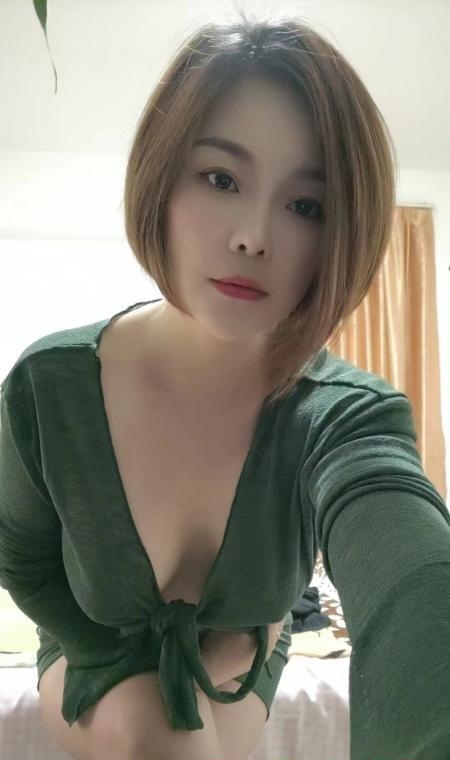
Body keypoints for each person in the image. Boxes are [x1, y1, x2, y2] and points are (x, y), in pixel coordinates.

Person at [1, 9, 450, 760]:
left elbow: (415, 581)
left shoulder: (344, 417)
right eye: (221, 178)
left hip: (251, 650)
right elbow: (23, 559)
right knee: (162, 738)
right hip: (88, 640)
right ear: (162, 179)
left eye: (305, 206)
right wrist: (150, 671)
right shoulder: (48, 390)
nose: (253, 236)